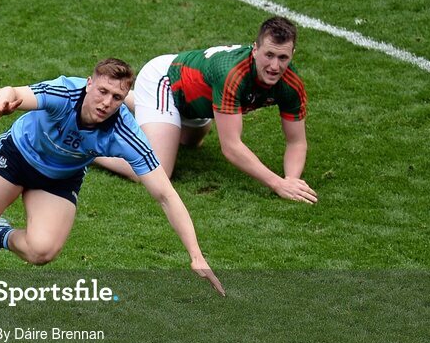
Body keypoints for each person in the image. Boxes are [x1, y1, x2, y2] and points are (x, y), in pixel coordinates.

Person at [0, 58, 225, 296]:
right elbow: (14, 92)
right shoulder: (64, 92)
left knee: (42, 251)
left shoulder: (125, 133)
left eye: (117, 97)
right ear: (89, 84)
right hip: (18, 155)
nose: (107, 102)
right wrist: (2, 100)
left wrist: (196, 255)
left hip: (60, 178)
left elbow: (165, 195)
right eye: (102, 91)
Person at [94, 16, 318, 204]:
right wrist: (277, 183)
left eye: (283, 57)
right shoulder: (233, 74)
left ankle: (141, 102)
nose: (275, 66)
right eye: (269, 55)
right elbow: (231, 147)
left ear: (292, 53)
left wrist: (292, 180)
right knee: (156, 170)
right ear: (255, 49)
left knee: (191, 142)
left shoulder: (291, 83)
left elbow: (296, 142)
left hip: (194, 103)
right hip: (165, 82)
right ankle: (91, 149)